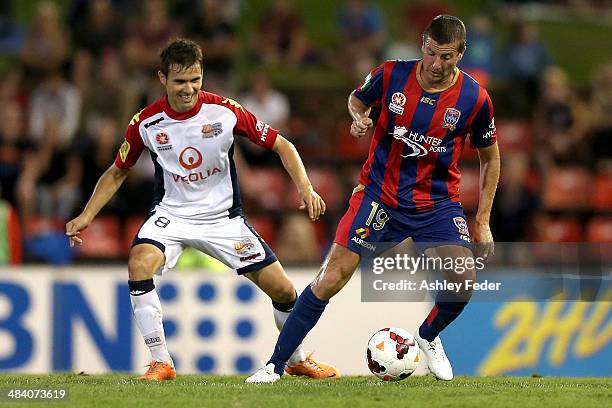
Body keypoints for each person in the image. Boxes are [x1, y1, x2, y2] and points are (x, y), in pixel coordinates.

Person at [65, 38, 339, 381]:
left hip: (224, 220)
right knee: (138, 263)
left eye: (196, 79)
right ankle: (161, 361)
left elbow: (281, 144)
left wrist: (306, 188)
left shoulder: (225, 111)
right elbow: (118, 170)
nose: (189, 88)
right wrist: (86, 216)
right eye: (180, 81)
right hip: (172, 216)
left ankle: (296, 359)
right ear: (162, 78)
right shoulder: (145, 123)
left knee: (284, 292)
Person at [247, 15, 500, 383]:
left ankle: (428, 336)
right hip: (379, 195)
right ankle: (274, 366)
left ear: (461, 53)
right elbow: (356, 99)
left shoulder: (475, 98)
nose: (435, 64)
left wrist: (483, 220)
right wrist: (359, 117)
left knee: (462, 278)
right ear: (422, 46)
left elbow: (490, 157)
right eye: (430, 53)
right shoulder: (391, 74)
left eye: (446, 56)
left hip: (437, 204)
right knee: (331, 277)